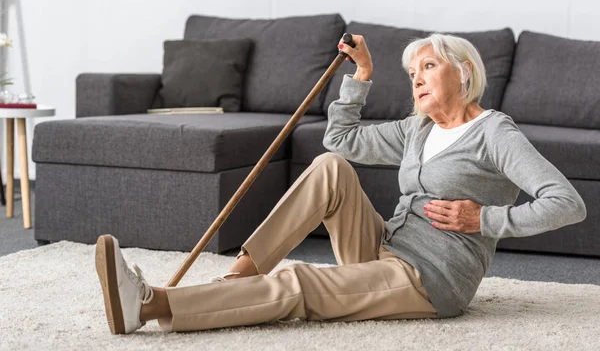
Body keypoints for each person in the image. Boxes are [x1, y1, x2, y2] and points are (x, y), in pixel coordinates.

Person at [95, 33, 587, 335]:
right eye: (412, 71)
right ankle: (240, 278)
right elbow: (340, 138)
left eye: (429, 67)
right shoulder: (419, 128)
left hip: (429, 278)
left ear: (465, 72)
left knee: (303, 283)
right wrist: (363, 74)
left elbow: (567, 203)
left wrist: (484, 219)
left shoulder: (494, 133)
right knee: (332, 165)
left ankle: (151, 304)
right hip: (385, 248)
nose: (416, 78)